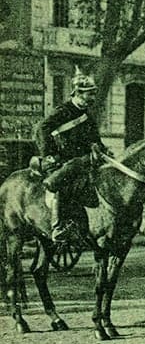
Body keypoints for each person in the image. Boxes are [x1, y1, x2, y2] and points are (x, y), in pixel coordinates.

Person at [37, 71, 104, 242]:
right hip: (60, 159)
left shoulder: (88, 115)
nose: (93, 98)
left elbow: (95, 139)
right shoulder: (64, 111)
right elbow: (43, 128)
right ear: (78, 93)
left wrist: (100, 148)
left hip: (83, 161)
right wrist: (49, 154)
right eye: (90, 94)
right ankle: (57, 226)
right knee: (61, 183)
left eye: (94, 94)